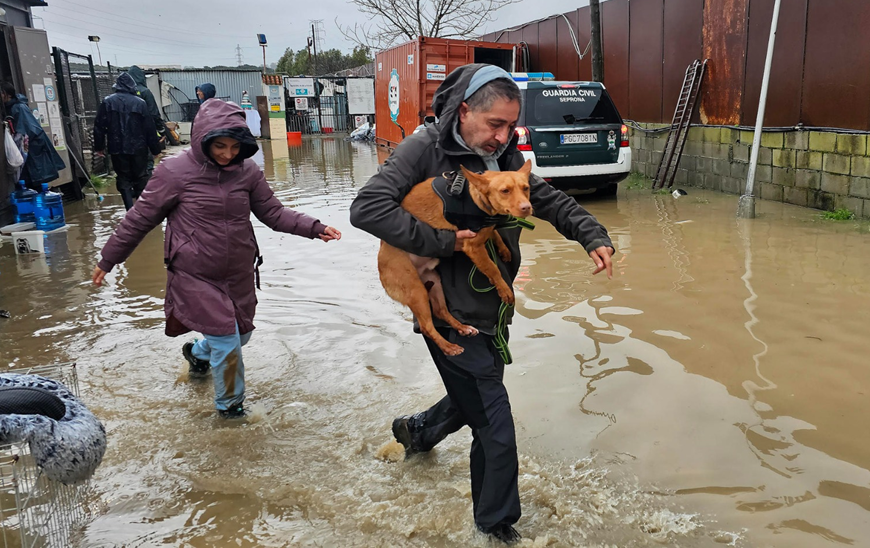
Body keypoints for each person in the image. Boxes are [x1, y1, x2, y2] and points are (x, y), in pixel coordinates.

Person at [349, 64, 614, 544]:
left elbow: (548, 200)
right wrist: (444, 243)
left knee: (475, 398)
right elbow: (366, 208)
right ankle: (495, 526)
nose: (504, 135)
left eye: (511, 125)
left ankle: (417, 432)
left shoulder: (503, 154)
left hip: (492, 308)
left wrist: (592, 235)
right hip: (449, 311)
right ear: (465, 109)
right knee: (495, 424)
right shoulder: (423, 149)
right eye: (495, 124)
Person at [91, 99, 341, 419]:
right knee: (226, 341)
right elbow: (139, 219)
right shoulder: (174, 172)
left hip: (238, 273)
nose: (227, 154)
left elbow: (274, 213)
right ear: (201, 139)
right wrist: (108, 258)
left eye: (235, 146)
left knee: (242, 334)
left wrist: (314, 227)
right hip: (195, 275)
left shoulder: (247, 172)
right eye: (219, 145)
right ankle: (230, 411)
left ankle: (196, 354)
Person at [93, 73, 162, 210]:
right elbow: (149, 128)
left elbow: (99, 126)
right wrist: (155, 150)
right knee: (141, 177)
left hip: (117, 147)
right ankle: (142, 211)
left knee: (123, 178)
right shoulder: (140, 103)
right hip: (139, 148)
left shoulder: (107, 102)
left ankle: (129, 210)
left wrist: (99, 147)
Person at [1, 82, 66, 191]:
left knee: (35, 185)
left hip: (31, 153)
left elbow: (28, 131)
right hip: (28, 153)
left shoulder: (19, 108)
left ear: (7, 94)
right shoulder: (11, 108)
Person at [128, 65, 166, 177]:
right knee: (146, 162)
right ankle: (145, 189)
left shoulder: (119, 94)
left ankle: (131, 191)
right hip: (143, 134)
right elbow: (153, 113)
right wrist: (161, 130)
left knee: (129, 166)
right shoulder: (144, 92)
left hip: (124, 135)